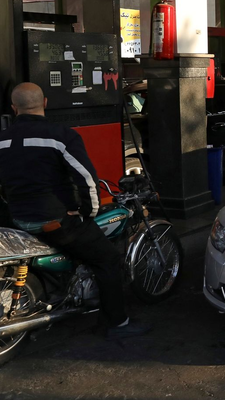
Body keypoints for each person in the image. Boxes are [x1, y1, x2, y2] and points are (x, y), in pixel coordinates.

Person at [0, 83, 148, 340]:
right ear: (45, 103)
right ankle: (117, 323)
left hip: (17, 220)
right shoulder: (60, 136)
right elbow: (86, 177)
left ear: (14, 108)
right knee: (108, 259)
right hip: (54, 219)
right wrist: (87, 212)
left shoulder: (2, 140)